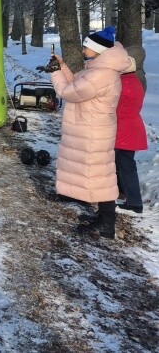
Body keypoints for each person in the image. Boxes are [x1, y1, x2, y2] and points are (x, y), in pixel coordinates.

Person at [50, 27, 129, 239]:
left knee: (100, 178)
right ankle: (102, 219)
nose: (84, 49)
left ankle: (106, 225)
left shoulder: (101, 74)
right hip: (89, 130)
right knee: (94, 174)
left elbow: (68, 92)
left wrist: (54, 72)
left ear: (98, 50)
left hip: (93, 132)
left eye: (87, 46)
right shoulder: (97, 69)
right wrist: (62, 66)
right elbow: (76, 83)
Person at [115, 44, 146, 214]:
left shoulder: (123, 84)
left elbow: (116, 107)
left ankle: (134, 202)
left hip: (124, 130)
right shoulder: (134, 81)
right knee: (125, 165)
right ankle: (128, 195)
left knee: (126, 166)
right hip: (131, 128)